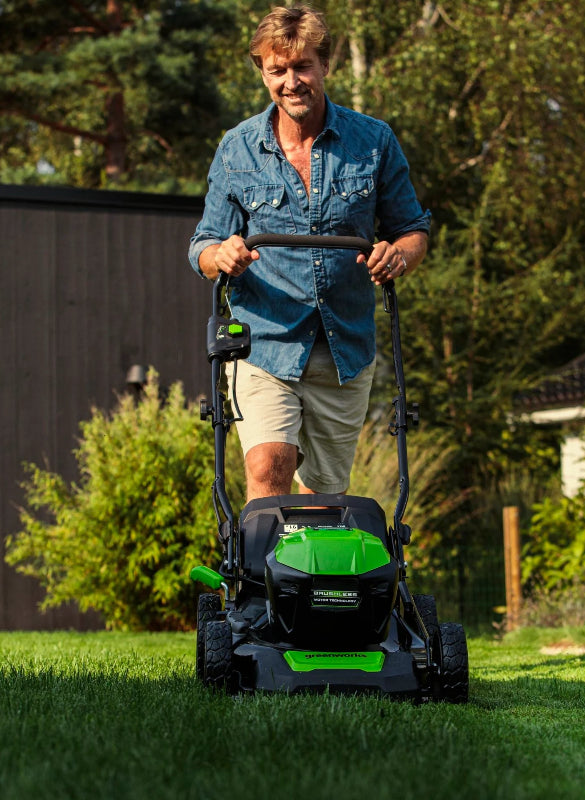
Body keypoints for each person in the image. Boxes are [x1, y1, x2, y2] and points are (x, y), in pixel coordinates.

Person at [188, 4, 430, 501]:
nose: (291, 82)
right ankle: (262, 581)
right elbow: (203, 246)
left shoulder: (373, 142)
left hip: (345, 349)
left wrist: (399, 256)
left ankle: (304, 578)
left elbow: (412, 229)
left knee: (322, 496)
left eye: (302, 67)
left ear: (324, 66)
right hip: (264, 345)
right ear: (262, 73)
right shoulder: (237, 150)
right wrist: (223, 255)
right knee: (267, 468)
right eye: (277, 71)